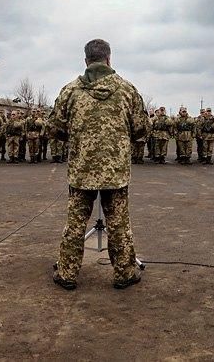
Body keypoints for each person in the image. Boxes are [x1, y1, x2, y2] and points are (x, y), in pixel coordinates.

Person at [48, 39, 148, 290]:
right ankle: (124, 272)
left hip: (82, 171)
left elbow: (55, 128)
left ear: (86, 61)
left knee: (75, 222)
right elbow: (141, 129)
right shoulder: (128, 91)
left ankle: (67, 273)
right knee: (119, 222)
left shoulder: (70, 91)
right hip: (115, 172)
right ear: (109, 59)